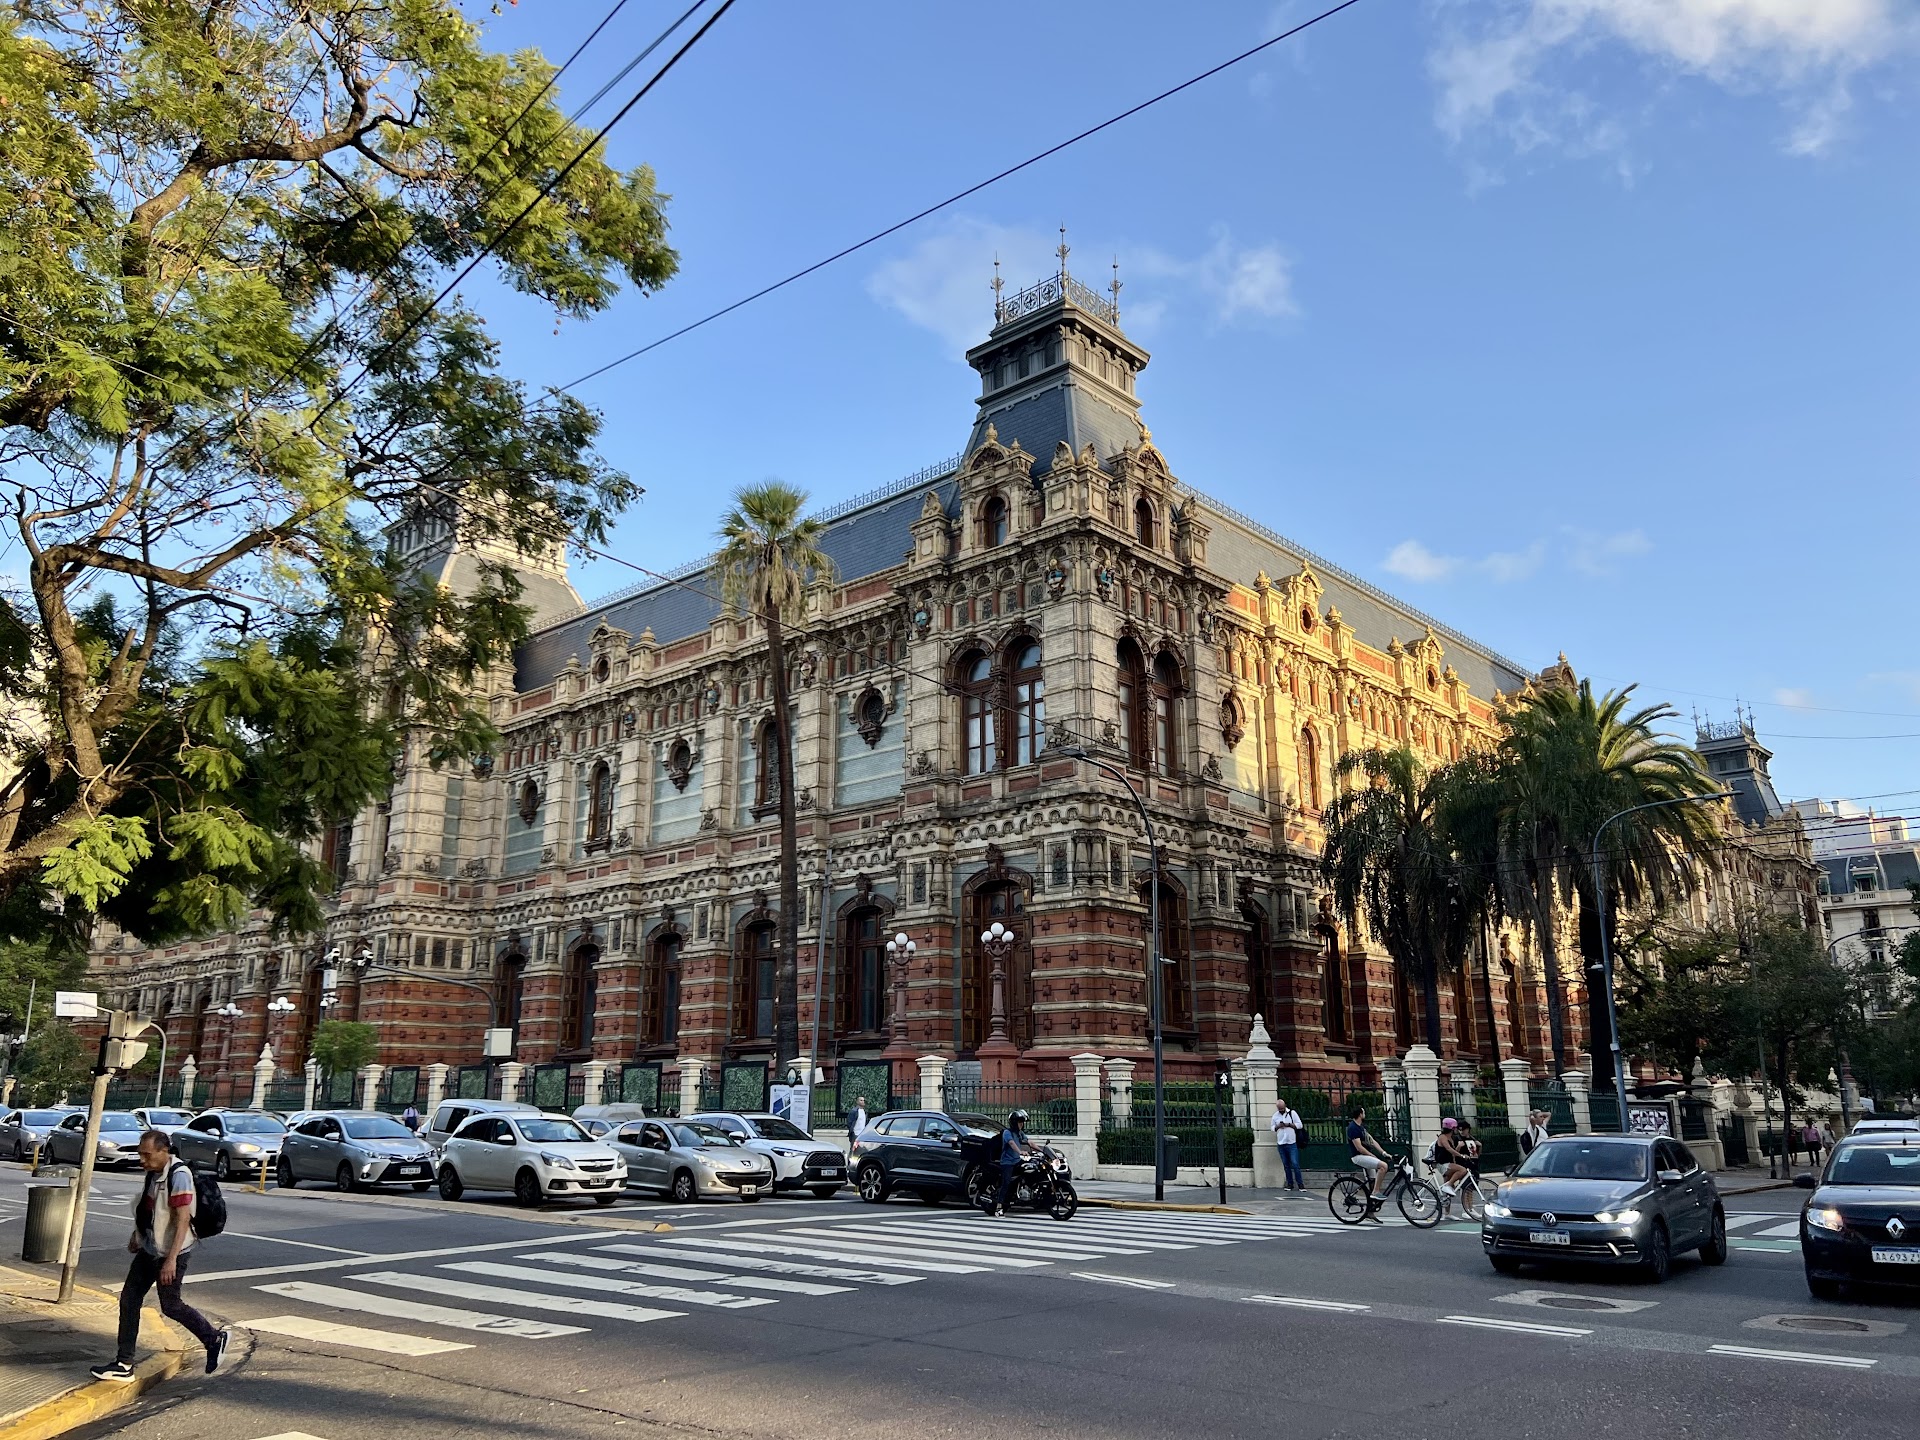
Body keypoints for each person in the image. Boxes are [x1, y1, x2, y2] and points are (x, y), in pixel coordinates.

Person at [90, 1132, 227, 1383]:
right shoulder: (154, 1172)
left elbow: (182, 1220)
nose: (142, 1159)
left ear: (164, 1151)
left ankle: (213, 1339)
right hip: (151, 1249)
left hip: (171, 1252)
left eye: (147, 1154)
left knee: (171, 1305)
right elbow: (150, 1209)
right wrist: (138, 1234)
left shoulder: (179, 1175)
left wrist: (171, 1260)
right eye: (140, 1154)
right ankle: (124, 1364)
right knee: (129, 1299)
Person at [1345, 1103, 1390, 1223]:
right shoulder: (1353, 1128)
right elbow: (1359, 1147)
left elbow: (1372, 1141)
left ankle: (1370, 1212)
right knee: (1383, 1166)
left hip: (1365, 1156)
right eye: (1363, 1112)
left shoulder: (1361, 1127)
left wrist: (1383, 1153)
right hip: (1358, 1157)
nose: (1365, 1114)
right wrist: (1371, 1155)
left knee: (1372, 1182)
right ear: (1360, 1114)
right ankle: (1376, 1192)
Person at [990, 1109, 1031, 1219]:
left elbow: (1029, 1142)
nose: (1022, 1124)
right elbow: (1012, 1143)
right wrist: (1020, 1151)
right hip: (1007, 1162)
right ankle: (999, 1208)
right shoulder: (1007, 1133)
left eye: (1022, 1122)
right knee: (1006, 1183)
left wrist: (1042, 1150)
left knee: (1029, 1169)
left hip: (1017, 1161)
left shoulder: (1019, 1133)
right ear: (1014, 1122)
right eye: (1020, 1122)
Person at [1270, 1098, 1305, 1190]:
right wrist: (1278, 1126)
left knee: (1295, 1164)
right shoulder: (1275, 1116)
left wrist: (1289, 1125)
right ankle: (1290, 1184)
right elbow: (1272, 1128)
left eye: (1282, 1108)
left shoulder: (1292, 1113)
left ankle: (1300, 1184)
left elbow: (1300, 1125)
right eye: (1280, 1109)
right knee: (1286, 1165)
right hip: (1281, 1143)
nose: (1281, 1110)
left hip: (1291, 1142)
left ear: (1285, 1106)